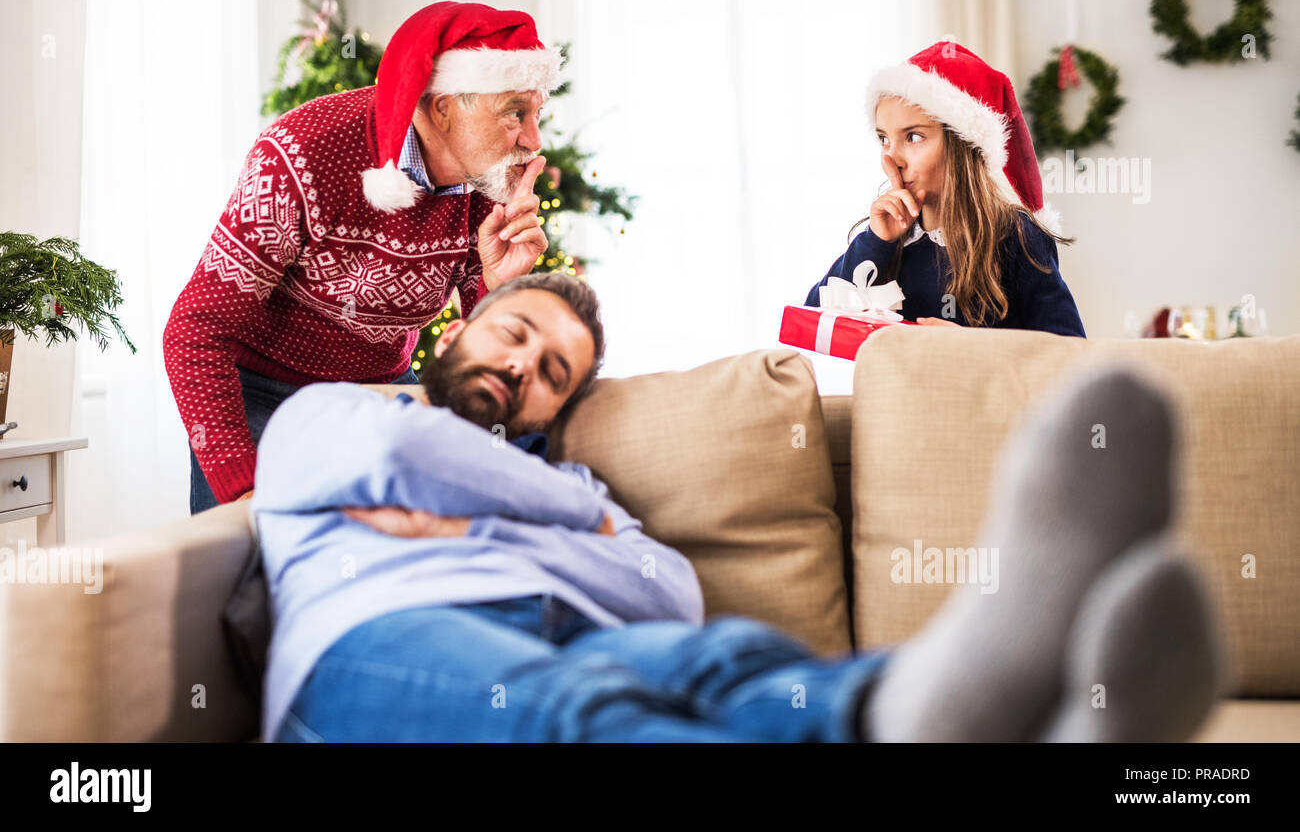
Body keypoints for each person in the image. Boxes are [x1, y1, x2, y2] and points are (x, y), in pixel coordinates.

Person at [253, 272, 1221, 742]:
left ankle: (924, 701)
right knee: (580, 711)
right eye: (513, 335)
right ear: (464, 324)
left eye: (553, 372)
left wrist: (475, 522)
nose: (519, 368)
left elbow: (668, 590)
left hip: (572, 633)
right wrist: (560, 523)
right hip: (378, 631)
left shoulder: (577, 484)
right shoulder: (336, 412)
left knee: (723, 658)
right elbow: (392, 447)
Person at [164, 1, 562, 514]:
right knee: (245, 575)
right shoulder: (303, 153)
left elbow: (479, 356)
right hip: (261, 391)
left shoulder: (491, 178)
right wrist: (244, 490)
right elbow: (194, 331)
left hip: (379, 386)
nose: (534, 140)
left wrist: (498, 286)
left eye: (536, 114)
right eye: (515, 113)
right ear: (443, 107)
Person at [806, 41, 1086, 337]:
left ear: (962, 146)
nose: (892, 158)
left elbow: (1067, 352)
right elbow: (813, 321)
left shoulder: (1016, 237)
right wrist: (875, 244)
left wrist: (967, 351)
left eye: (913, 137)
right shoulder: (885, 239)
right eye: (883, 139)